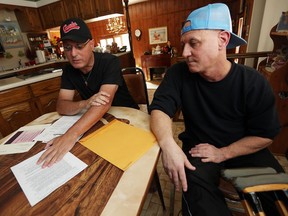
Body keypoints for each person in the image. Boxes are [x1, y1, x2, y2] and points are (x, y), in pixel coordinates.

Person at [149, 3, 284, 216]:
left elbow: (265, 135)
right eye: (184, 43)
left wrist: (224, 153)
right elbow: (159, 109)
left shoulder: (253, 82)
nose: (185, 52)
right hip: (199, 150)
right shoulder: (179, 74)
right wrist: (168, 144)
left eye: (194, 43)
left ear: (222, 40)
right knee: (195, 191)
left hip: (245, 148)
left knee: (279, 198)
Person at [37, 17, 138, 168]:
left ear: (91, 44)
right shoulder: (69, 71)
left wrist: (69, 135)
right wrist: (85, 103)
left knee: (131, 160)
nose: (73, 54)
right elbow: (61, 106)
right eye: (68, 47)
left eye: (79, 46)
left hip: (127, 116)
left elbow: (103, 104)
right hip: (97, 119)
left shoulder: (110, 62)